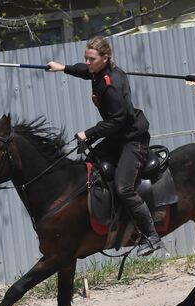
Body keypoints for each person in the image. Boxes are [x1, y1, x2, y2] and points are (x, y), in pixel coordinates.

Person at [47, 36, 165, 257]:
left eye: (92, 59)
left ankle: (151, 236)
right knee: (89, 166)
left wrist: (88, 134)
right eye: (86, 58)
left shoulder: (111, 85)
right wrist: (62, 68)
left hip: (132, 139)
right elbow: (84, 71)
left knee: (123, 187)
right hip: (117, 136)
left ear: (105, 58)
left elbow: (117, 120)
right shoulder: (98, 72)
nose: (88, 62)